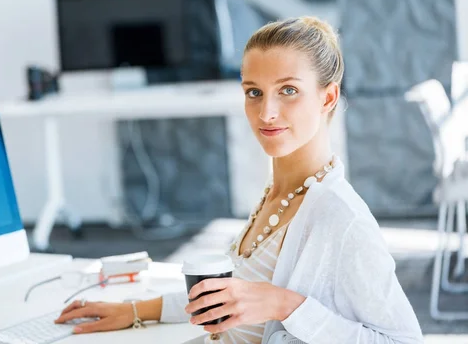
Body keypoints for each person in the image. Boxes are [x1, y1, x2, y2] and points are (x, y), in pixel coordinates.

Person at [54, 17, 423, 343]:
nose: (267, 112)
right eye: (254, 92)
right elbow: (232, 295)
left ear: (328, 97)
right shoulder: (276, 193)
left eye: (288, 90)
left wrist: (285, 305)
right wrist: (135, 310)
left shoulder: (341, 218)